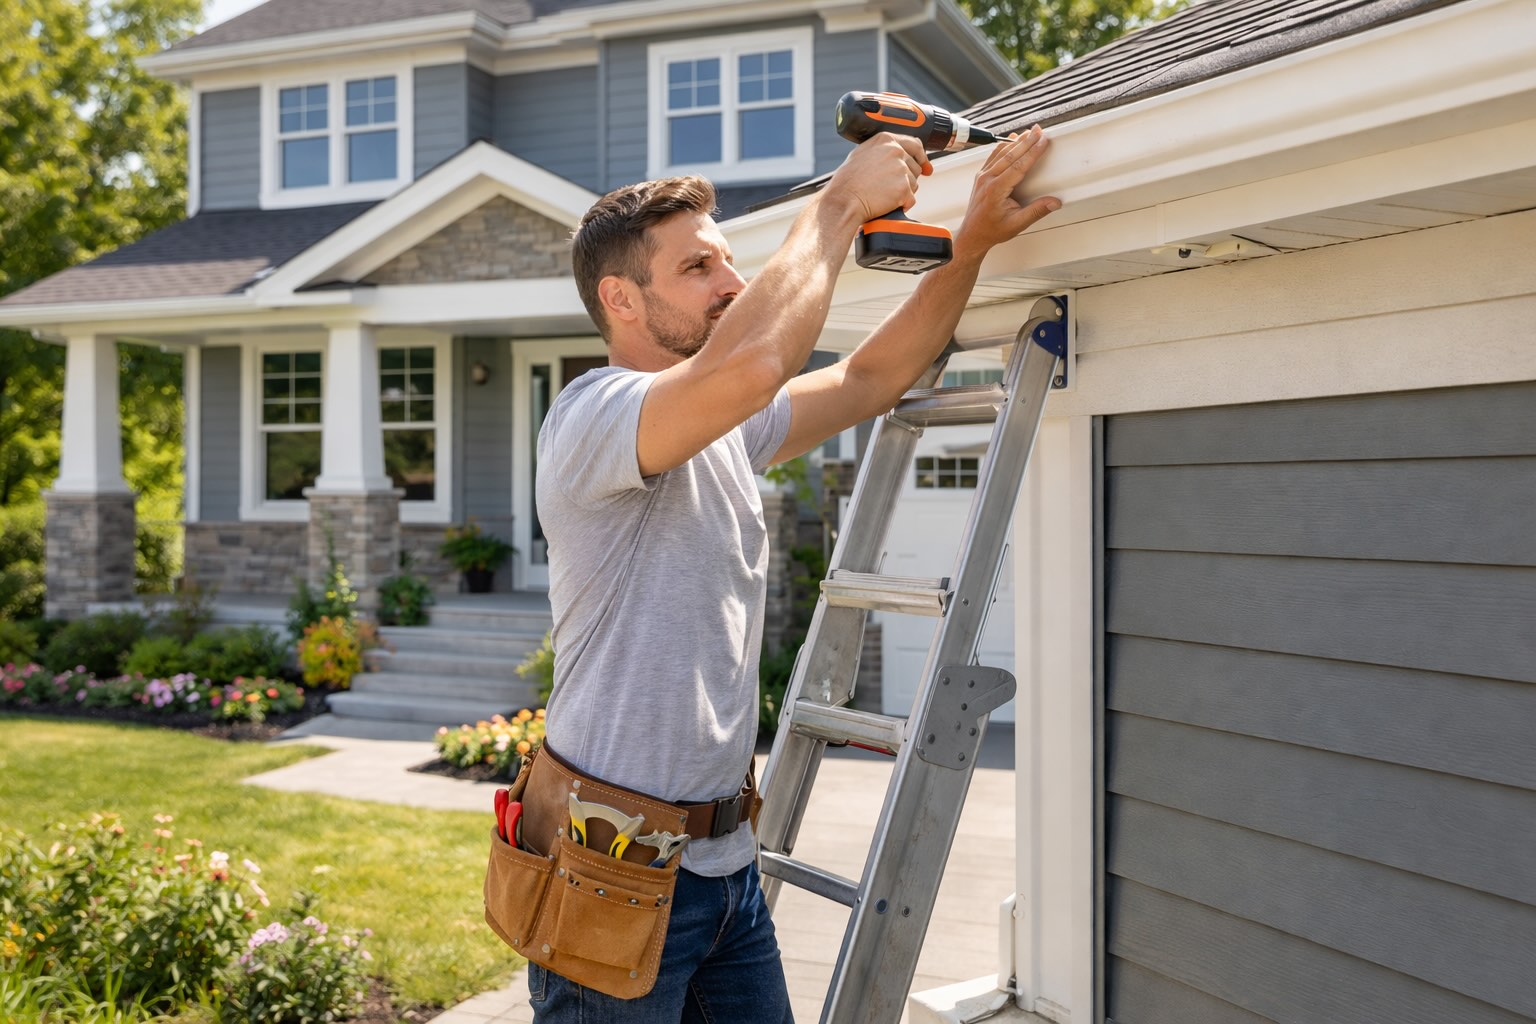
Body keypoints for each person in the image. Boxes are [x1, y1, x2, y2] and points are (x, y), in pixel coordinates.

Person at [531, 126, 1059, 1022]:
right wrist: (838, 205)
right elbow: (754, 362)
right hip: (612, 872)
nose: (732, 283)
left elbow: (867, 377)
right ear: (620, 298)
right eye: (698, 268)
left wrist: (967, 245)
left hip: (724, 868)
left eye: (728, 261)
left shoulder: (720, 426)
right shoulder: (594, 417)